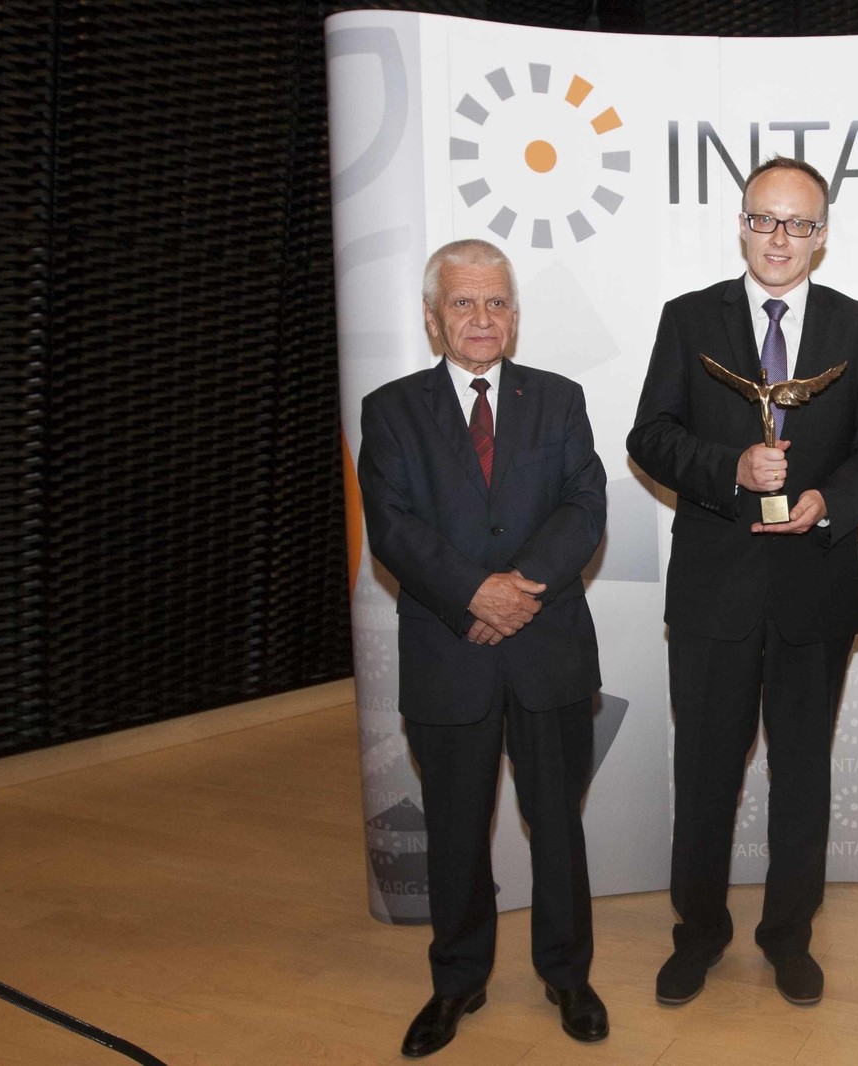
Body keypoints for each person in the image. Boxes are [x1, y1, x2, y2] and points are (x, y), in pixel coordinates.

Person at [626, 157, 858, 1007]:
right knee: (705, 775)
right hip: (714, 593)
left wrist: (829, 503)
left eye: (798, 223)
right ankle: (698, 934)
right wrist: (732, 468)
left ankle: (789, 937)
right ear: (742, 224)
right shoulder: (688, 319)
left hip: (815, 590)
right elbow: (650, 436)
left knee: (803, 779)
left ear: (822, 235)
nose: (779, 238)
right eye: (764, 219)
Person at [357, 238, 610, 1055]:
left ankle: (568, 976)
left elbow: (585, 505)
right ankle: (457, 982)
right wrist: (474, 593)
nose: (481, 317)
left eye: (496, 302)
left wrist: (516, 591)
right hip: (449, 649)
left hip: (547, 649)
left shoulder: (559, 399)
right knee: (457, 829)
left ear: (515, 316)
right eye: (463, 302)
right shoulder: (390, 410)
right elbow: (392, 526)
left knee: (558, 824)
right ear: (433, 318)